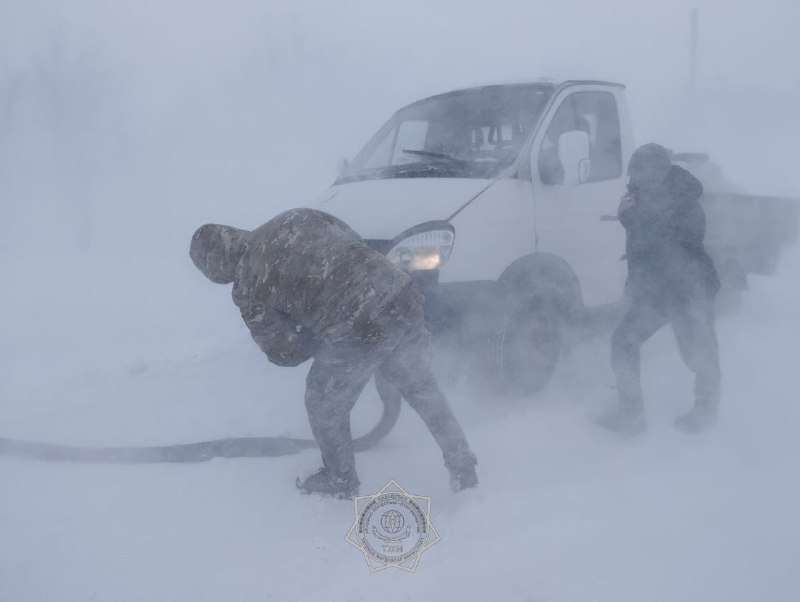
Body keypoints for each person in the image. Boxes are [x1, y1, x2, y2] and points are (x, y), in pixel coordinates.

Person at [189, 208, 478, 498]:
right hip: (401, 294)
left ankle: (339, 480)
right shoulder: (294, 217)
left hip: (357, 329)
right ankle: (463, 465)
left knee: (323, 403)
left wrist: (316, 333)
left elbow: (283, 352)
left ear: (215, 269)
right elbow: (352, 241)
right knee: (422, 388)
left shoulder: (247, 285)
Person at [598, 143, 721, 435]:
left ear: (656, 174)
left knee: (697, 353)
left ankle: (705, 411)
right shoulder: (644, 197)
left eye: (637, 174)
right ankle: (631, 417)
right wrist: (635, 283)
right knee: (623, 343)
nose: (631, 180)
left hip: (689, 291)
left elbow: (669, 241)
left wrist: (628, 217)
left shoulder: (685, 198)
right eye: (631, 174)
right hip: (656, 292)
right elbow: (644, 247)